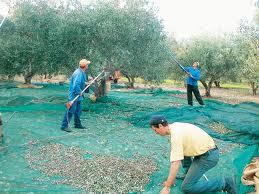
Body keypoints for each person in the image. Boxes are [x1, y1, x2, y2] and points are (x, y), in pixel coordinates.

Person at [149, 115, 237, 194]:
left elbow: (175, 163)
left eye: (155, 130)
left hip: (208, 156)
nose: (155, 133)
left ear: (160, 126)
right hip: (204, 151)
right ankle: (188, 174)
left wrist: (167, 186)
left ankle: (225, 183)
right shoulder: (174, 126)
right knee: (179, 151)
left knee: (187, 187)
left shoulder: (176, 136)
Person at [60, 59, 90, 132]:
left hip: (78, 96)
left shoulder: (81, 72)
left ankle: (77, 124)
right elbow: (76, 84)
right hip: (74, 95)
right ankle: (64, 126)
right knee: (71, 110)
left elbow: (77, 82)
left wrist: (85, 83)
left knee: (78, 111)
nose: (88, 66)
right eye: (87, 65)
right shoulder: (78, 73)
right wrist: (79, 91)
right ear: (85, 66)